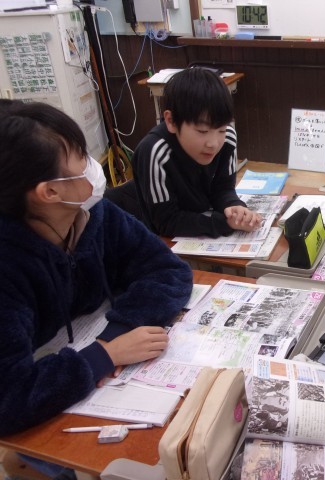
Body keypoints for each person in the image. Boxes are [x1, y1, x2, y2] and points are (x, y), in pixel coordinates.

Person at [0, 101, 193, 440]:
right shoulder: (9, 265)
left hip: (88, 341)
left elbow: (167, 269)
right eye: (81, 157)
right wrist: (104, 355)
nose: (92, 164)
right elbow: (9, 398)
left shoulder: (92, 214)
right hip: (48, 414)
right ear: (49, 192)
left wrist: (119, 330)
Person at [107, 67, 262, 238]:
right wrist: (223, 224)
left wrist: (234, 207)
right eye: (202, 131)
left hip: (185, 216)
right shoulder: (154, 151)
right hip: (126, 227)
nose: (213, 143)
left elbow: (223, 188)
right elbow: (166, 222)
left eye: (221, 129)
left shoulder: (228, 139)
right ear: (171, 121)